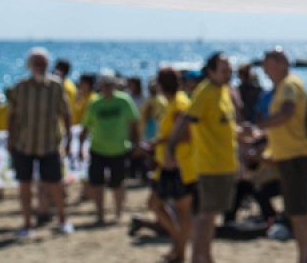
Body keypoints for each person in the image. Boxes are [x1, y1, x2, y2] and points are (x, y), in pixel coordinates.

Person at [170, 52, 237, 263]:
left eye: (229, 70)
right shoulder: (205, 92)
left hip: (225, 164)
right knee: (205, 216)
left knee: (211, 216)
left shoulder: (224, 91)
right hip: (210, 165)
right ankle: (199, 257)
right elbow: (184, 121)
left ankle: (205, 257)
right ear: (211, 72)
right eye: (224, 70)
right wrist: (171, 150)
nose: (228, 73)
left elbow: (223, 125)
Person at [6, 47, 73, 238]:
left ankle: (62, 221)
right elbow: (12, 116)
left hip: (49, 144)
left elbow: (66, 113)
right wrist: (10, 138)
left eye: (44, 64)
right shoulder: (20, 87)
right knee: (24, 185)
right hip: (24, 144)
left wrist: (69, 138)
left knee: (55, 184)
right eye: (37, 63)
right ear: (29, 65)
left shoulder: (55, 86)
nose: (41, 67)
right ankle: (27, 224)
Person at [262, 48, 307, 260]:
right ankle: (305, 257)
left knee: (299, 213)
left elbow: (286, 113)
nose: (265, 71)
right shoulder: (283, 86)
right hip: (289, 155)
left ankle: (306, 258)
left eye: (268, 66)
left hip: (297, 155)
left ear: (281, 64)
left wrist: (261, 124)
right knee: (296, 213)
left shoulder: (289, 84)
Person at [135, 67, 194, 263]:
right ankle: (178, 244)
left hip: (180, 165)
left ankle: (180, 250)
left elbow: (186, 135)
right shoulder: (172, 102)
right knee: (155, 204)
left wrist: (159, 142)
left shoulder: (179, 103)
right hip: (167, 164)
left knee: (180, 210)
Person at [80, 73, 141, 225]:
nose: (107, 88)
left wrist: (136, 144)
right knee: (97, 183)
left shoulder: (124, 100)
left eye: (110, 85)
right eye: (104, 85)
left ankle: (118, 213)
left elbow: (134, 123)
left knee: (118, 183)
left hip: (119, 149)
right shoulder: (95, 103)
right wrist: (80, 146)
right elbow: (86, 126)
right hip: (98, 149)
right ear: (100, 86)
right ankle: (100, 214)